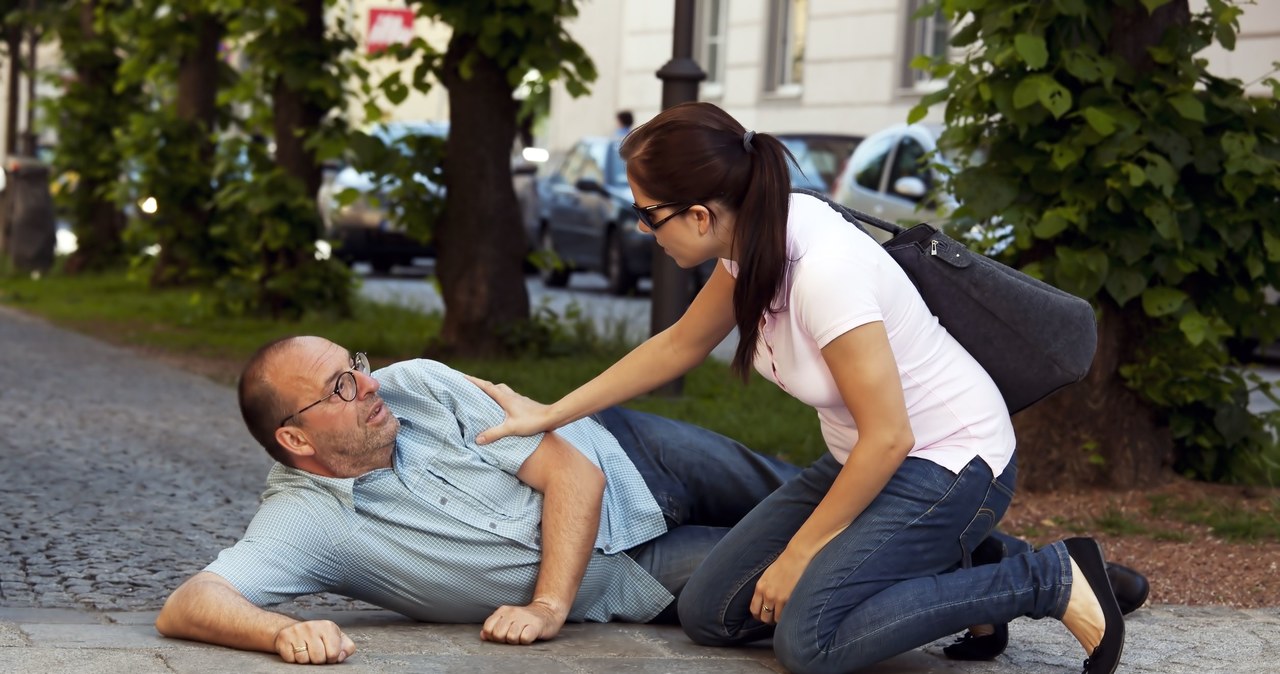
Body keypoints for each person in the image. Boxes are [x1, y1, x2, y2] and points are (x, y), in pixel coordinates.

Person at [471, 102, 1129, 674]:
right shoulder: (748, 240)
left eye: (648, 215)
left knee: (810, 641)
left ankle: (1046, 579)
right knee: (713, 612)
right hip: (865, 460)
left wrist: (801, 553)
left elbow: (892, 435)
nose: (643, 231)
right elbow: (679, 345)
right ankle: (955, 562)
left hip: (949, 462)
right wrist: (549, 413)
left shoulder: (824, 272)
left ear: (699, 214)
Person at [155, 335, 801, 664]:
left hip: (628, 451)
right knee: (801, 567)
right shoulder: (307, 521)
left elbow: (575, 475)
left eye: (356, 364)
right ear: (295, 436)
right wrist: (283, 632)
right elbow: (188, 605)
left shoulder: (421, 386)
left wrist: (547, 606)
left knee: (813, 491)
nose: (372, 383)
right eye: (342, 386)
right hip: (637, 574)